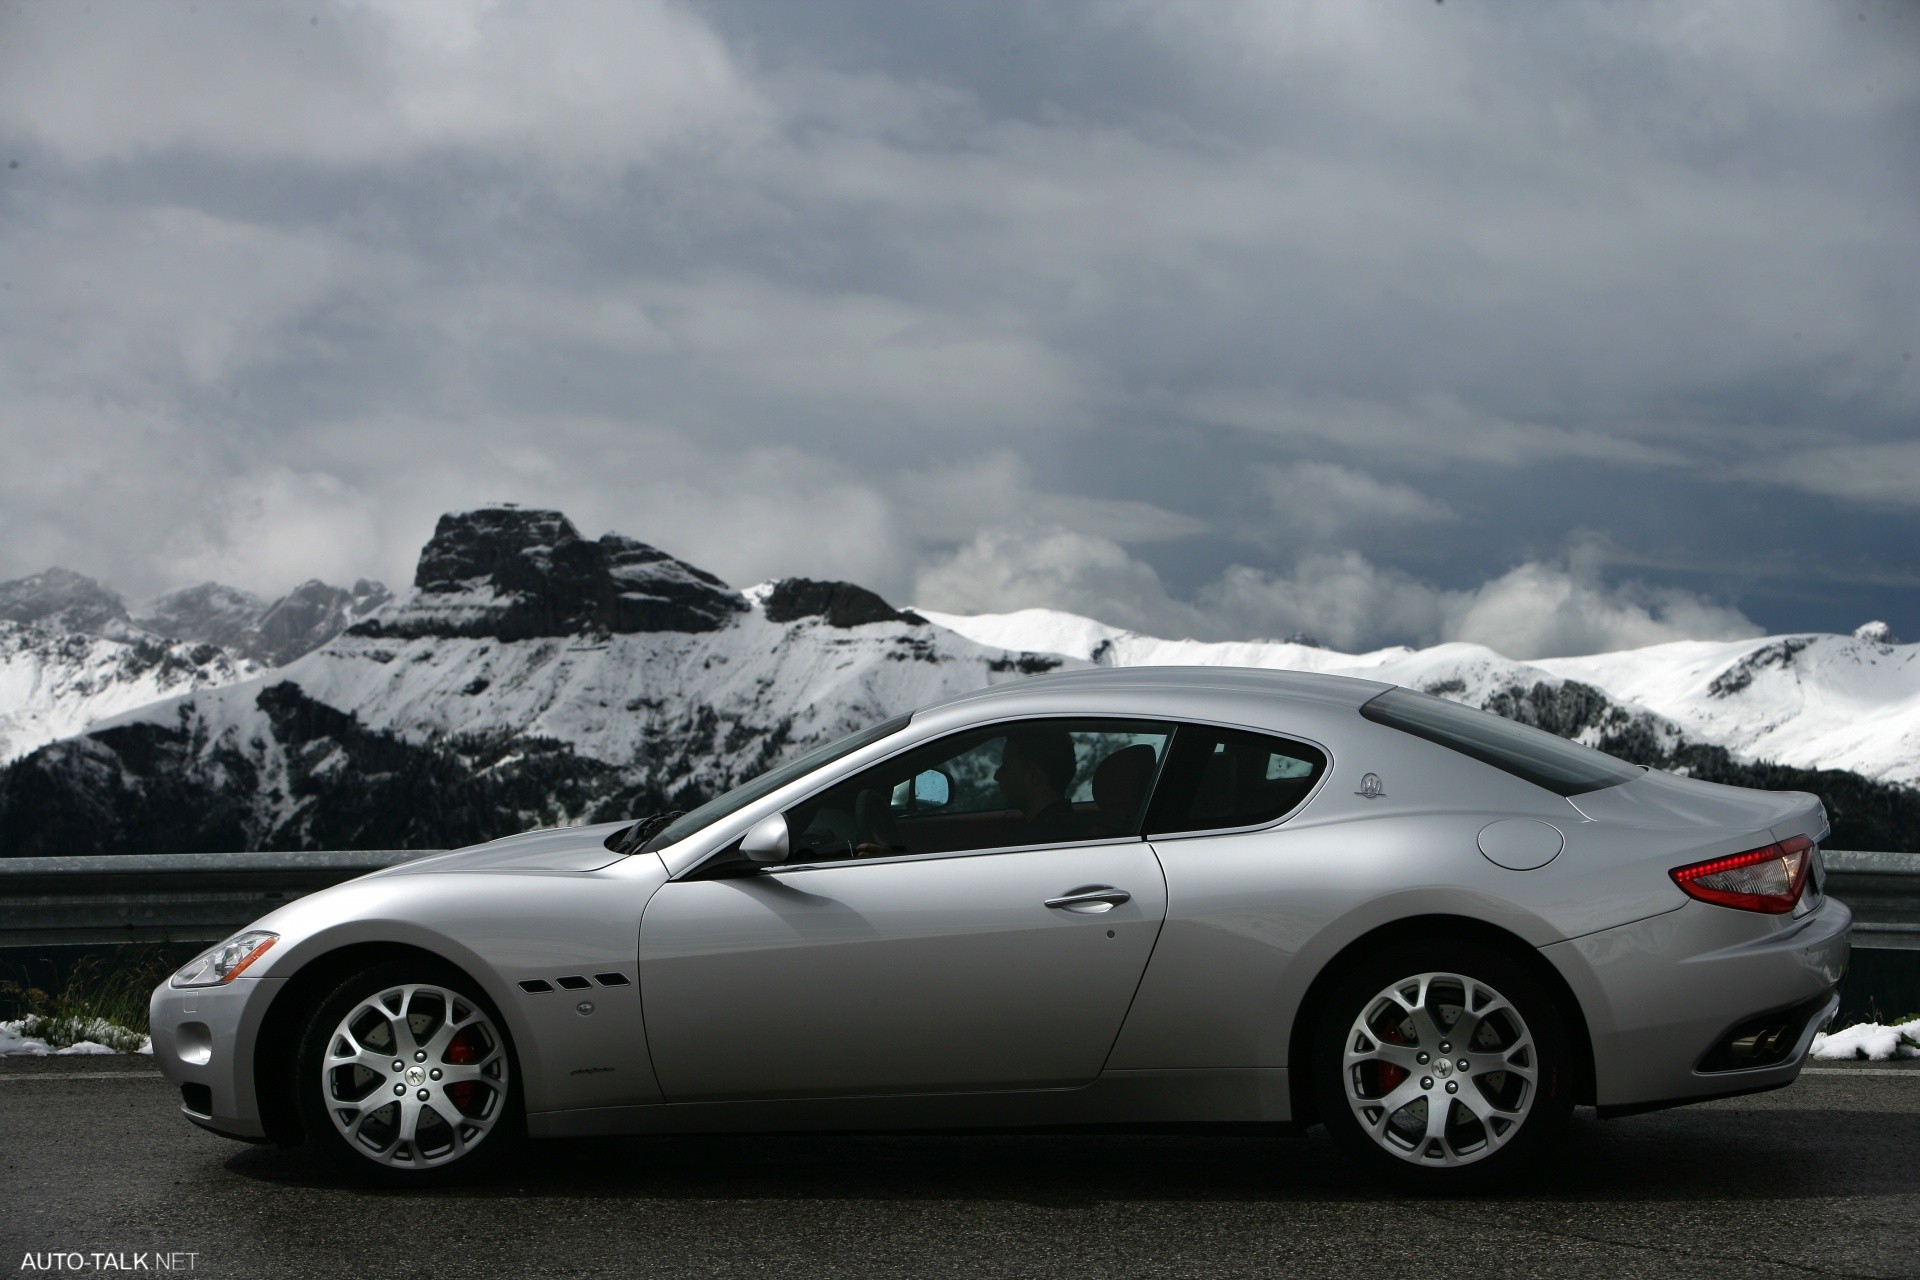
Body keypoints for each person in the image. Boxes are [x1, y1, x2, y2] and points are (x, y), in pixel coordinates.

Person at [994, 727, 1083, 843]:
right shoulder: (1070, 830)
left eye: (1006, 767)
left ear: (1034, 777)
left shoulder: (1035, 841)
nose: (996, 776)